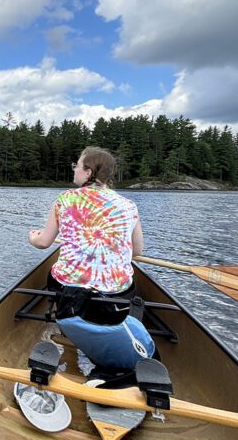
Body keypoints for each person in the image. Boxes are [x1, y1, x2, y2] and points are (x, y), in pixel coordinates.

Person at [28, 146, 152, 371]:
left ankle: (66, 327)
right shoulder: (129, 205)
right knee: (127, 282)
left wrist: (33, 237)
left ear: (88, 172)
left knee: (54, 273)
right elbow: (137, 251)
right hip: (116, 300)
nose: (74, 169)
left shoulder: (64, 199)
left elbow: (44, 243)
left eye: (77, 165)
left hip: (70, 296)